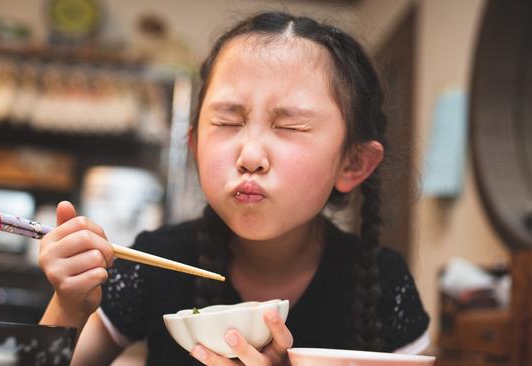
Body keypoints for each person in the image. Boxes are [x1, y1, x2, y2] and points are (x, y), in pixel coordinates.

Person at [38, 11, 430, 366]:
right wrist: (68, 306)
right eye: (227, 121)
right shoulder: (155, 261)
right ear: (195, 146)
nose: (250, 155)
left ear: (352, 163)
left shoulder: (385, 280)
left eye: (289, 126)